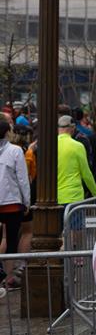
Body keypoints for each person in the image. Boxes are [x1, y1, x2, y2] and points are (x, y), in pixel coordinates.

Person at [0, 118, 31, 290]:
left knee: (4, 238)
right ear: (7, 132)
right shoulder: (15, 151)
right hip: (11, 202)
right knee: (11, 239)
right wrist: (26, 201)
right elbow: (22, 179)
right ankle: (8, 277)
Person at [57, 114, 96, 206]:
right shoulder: (78, 146)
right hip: (74, 197)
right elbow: (86, 174)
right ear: (72, 128)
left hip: (55, 198)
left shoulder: (50, 145)